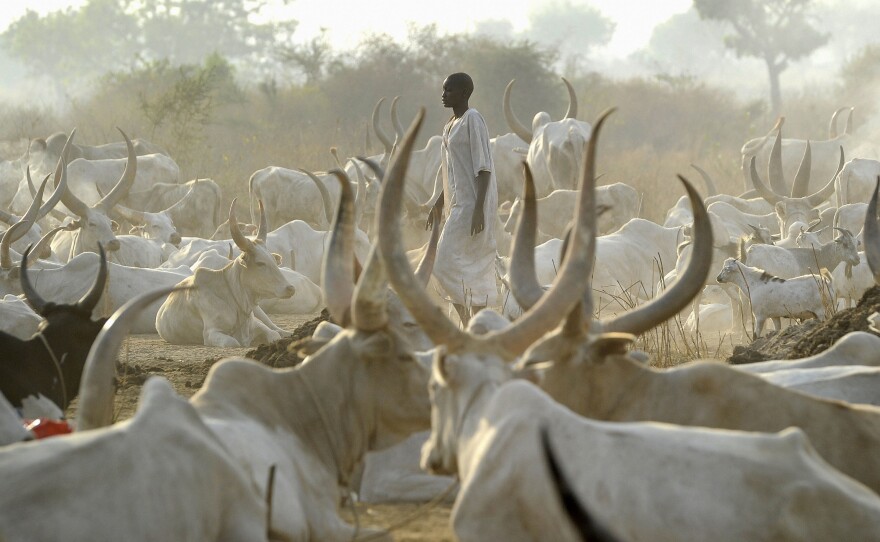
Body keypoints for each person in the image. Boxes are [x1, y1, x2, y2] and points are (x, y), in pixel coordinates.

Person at [426, 72, 498, 326]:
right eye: (444, 90)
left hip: (473, 206)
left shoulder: (473, 120)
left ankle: (472, 321)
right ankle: (473, 324)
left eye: (449, 90)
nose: (444, 95)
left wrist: (479, 209)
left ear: (465, 93)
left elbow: (483, 168)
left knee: (444, 261)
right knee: (460, 264)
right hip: (457, 205)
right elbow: (454, 171)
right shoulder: (450, 125)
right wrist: (438, 203)